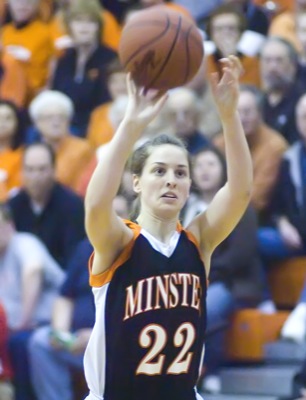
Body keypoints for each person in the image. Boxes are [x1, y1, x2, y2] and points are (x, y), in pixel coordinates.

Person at [83, 54, 252, 400]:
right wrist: (131, 124)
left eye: (180, 173)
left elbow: (241, 190)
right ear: (137, 183)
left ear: (189, 186)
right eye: (158, 171)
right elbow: (96, 204)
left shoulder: (198, 241)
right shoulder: (120, 241)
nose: (171, 180)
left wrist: (228, 115)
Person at [28, 194, 129, 400]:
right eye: (108, 215)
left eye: (119, 214)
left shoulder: (136, 253)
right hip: (77, 341)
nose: (112, 220)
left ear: (131, 218)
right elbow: (65, 295)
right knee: (40, 341)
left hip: (115, 345)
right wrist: (61, 333)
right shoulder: (86, 248)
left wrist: (95, 335)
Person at [182, 146, 263, 393]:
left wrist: (205, 273)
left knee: (205, 309)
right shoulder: (186, 207)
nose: (205, 171)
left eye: (211, 164)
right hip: (192, 281)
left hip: (231, 282)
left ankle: (210, 369)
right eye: (199, 166)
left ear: (223, 169)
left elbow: (241, 254)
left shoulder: (238, 204)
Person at [0, 202, 64, 400]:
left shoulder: (23, 242)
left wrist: (23, 323)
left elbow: (33, 271)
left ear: (10, 225)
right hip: (14, 330)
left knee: (19, 344)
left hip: (49, 324)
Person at [9, 142, 86, 267]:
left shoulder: (72, 206)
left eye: (42, 169)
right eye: (30, 169)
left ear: (54, 170)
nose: (36, 176)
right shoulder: (13, 206)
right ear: (22, 172)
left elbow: (74, 257)